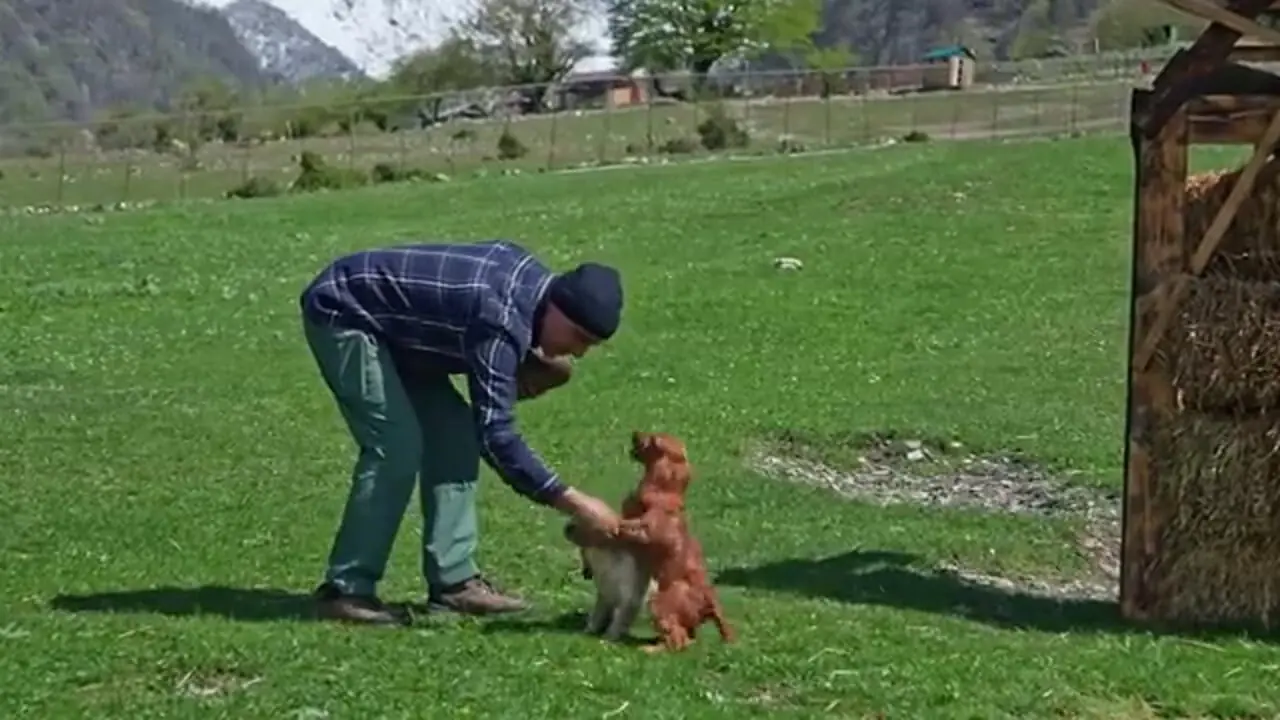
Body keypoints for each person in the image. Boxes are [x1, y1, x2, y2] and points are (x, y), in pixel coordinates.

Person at [298, 239, 626, 626]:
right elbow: (497, 435)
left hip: (404, 334)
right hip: (346, 311)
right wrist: (576, 503)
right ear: (557, 307)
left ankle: (454, 584)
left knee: (456, 435)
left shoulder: (532, 295)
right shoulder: (499, 318)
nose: (579, 352)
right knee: (395, 447)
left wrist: (519, 361)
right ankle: (345, 590)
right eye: (579, 338)